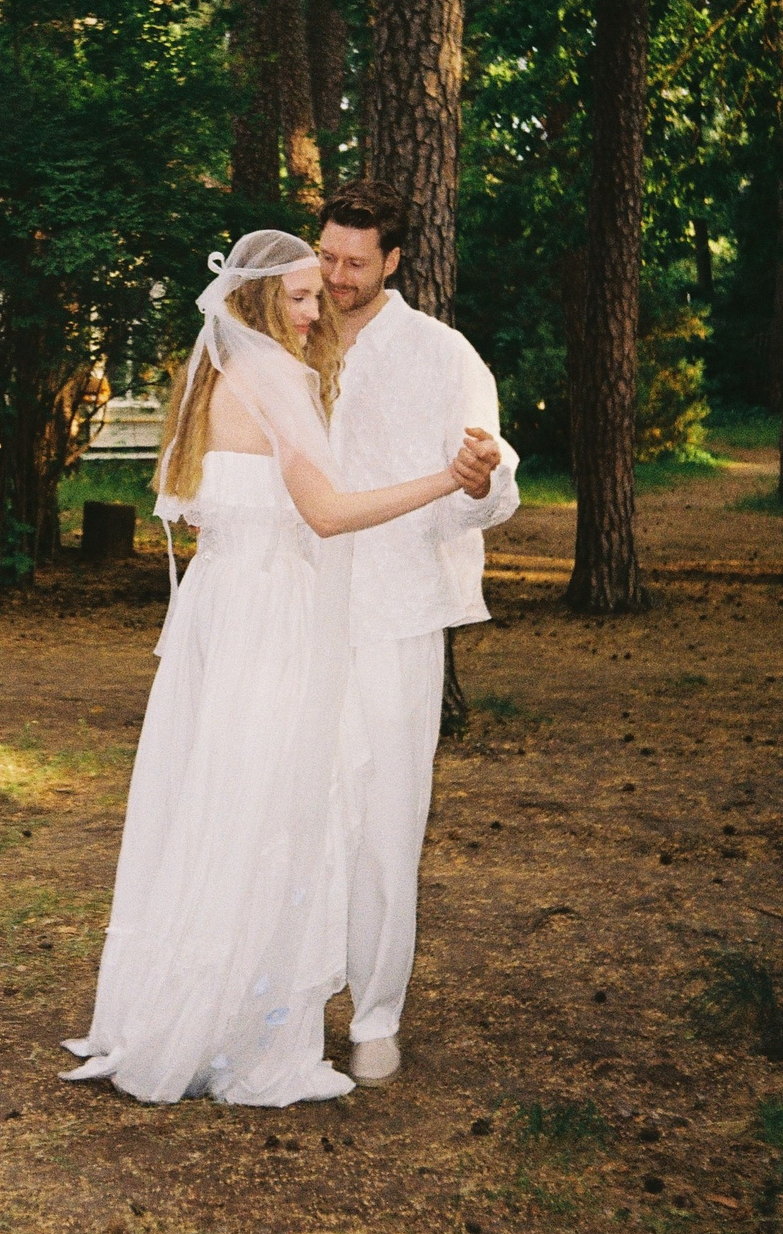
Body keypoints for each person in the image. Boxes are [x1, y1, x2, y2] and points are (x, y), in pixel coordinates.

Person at [58, 230, 499, 1108]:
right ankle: (251, 1032)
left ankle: (187, 1010)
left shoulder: (207, 380)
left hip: (219, 614)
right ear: (261, 300)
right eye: (299, 296)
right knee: (273, 811)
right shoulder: (275, 377)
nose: (315, 309)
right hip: (272, 623)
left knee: (215, 806)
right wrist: (443, 480)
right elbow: (328, 514)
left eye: (318, 293)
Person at [314, 182, 521, 1085]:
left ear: (393, 261)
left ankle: (376, 1016)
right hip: (296, 614)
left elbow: (496, 477)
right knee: (295, 802)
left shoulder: (445, 355)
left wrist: (479, 476)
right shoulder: (290, 332)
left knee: (387, 819)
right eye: (328, 256)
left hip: (397, 615)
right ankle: (284, 990)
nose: (337, 276)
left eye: (357, 262)